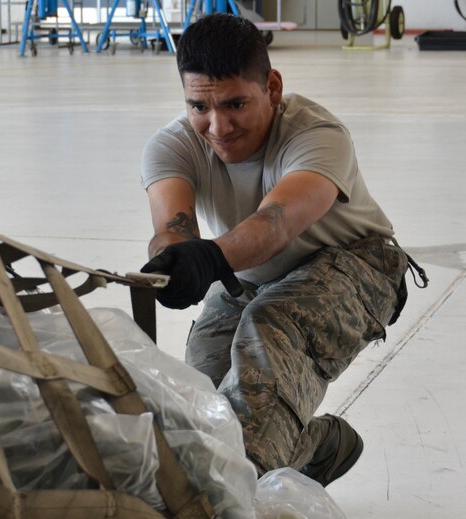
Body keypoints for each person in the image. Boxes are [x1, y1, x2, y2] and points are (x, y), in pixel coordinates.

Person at [139, 13, 426, 486]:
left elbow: (276, 223)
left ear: (272, 86)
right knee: (201, 402)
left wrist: (210, 258)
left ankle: (231, 510)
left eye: (235, 104)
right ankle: (320, 445)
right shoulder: (172, 145)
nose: (217, 126)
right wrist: (175, 255)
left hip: (358, 263)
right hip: (251, 274)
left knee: (268, 329)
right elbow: (173, 224)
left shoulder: (316, 134)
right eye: (199, 107)